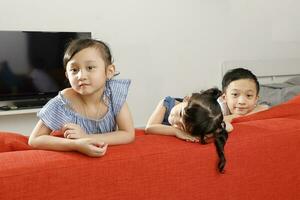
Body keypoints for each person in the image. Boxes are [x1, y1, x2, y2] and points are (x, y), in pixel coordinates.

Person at [28, 38, 135, 157]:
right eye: (74, 70)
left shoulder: (114, 93)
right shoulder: (63, 102)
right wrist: (76, 144)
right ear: (67, 75)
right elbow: (35, 139)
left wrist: (87, 137)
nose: (81, 76)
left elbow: (128, 133)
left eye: (90, 68)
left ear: (109, 71)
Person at [145, 88, 229, 173]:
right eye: (180, 113)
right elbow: (149, 127)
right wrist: (176, 131)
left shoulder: (198, 124)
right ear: (187, 99)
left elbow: (228, 127)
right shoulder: (166, 103)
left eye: (181, 126)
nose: (175, 120)